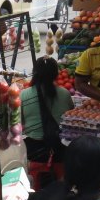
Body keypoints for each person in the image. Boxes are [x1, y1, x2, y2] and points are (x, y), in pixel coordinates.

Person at [22, 56, 74, 187]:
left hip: (34, 152)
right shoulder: (65, 94)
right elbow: (70, 120)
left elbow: (19, 122)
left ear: (34, 74)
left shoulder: (23, 95)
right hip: (60, 152)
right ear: (56, 74)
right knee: (60, 193)